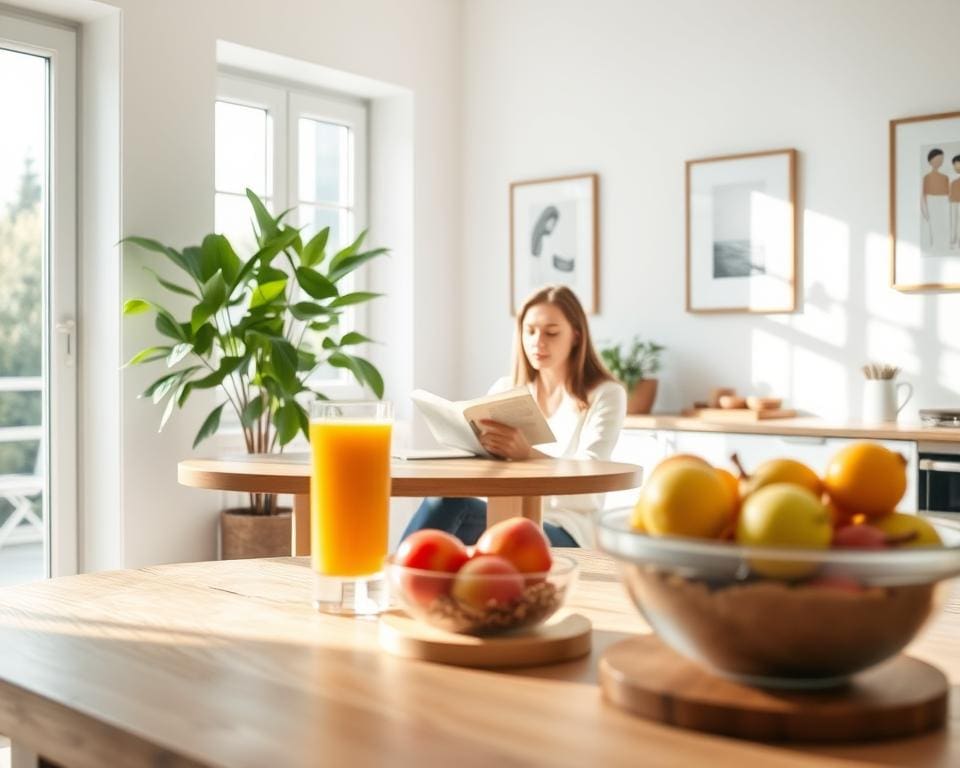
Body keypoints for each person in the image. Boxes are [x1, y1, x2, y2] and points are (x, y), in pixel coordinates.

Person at [401, 285, 627, 547]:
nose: (538, 342)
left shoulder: (605, 395)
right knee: (442, 500)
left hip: (566, 528)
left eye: (551, 332)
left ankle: (394, 578)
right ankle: (405, 580)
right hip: (503, 513)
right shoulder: (506, 390)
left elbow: (591, 482)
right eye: (530, 331)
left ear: (576, 336)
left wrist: (529, 454)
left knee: (451, 506)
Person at [922, 148, 950, 249]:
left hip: (944, 202)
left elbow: (948, 194)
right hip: (931, 202)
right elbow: (924, 194)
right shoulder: (926, 177)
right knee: (933, 226)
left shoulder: (945, 177)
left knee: (944, 225)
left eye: (941, 159)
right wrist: (924, 210)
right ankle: (934, 245)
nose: (939, 161)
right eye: (937, 159)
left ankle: (944, 245)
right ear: (930, 161)